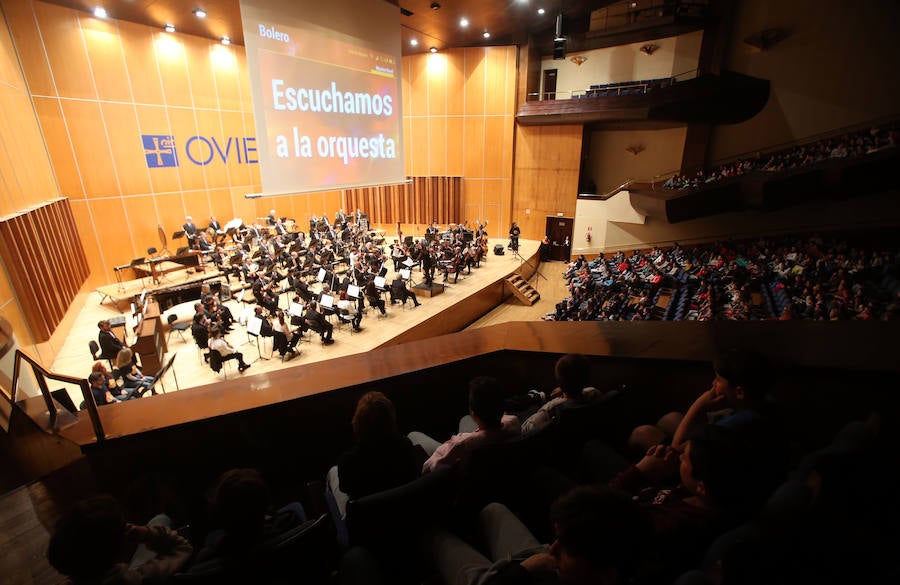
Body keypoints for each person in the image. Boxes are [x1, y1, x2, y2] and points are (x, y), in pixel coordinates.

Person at [432, 486, 649, 585]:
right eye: (559, 540)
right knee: (494, 509)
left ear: (606, 577)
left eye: (567, 548)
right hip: (552, 572)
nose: (552, 548)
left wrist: (522, 571)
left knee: (436, 538)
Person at [628, 348, 775, 453]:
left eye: (718, 380)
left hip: (698, 474)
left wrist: (699, 406)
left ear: (740, 392)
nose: (713, 384)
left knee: (641, 433)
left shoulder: (727, 430)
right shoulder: (763, 403)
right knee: (670, 419)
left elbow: (677, 448)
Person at [47, 494, 192, 584]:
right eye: (124, 526)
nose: (129, 526)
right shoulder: (143, 578)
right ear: (120, 549)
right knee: (160, 518)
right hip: (130, 574)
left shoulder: (78, 572)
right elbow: (182, 548)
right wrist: (147, 534)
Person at [327, 392, 421, 518]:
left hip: (367, 524)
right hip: (405, 515)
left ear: (357, 422)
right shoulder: (405, 446)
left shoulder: (348, 462)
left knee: (332, 472)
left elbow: (345, 489)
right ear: (392, 420)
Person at [410, 376, 521, 473]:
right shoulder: (514, 422)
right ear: (502, 409)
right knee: (464, 420)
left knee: (414, 435)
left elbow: (430, 468)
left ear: (474, 414)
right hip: (494, 470)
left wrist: (451, 443)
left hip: (449, 459)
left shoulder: (462, 445)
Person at [520, 354, 600, 435]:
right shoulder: (594, 393)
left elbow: (525, 430)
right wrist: (565, 388)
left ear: (558, 380)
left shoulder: (550, 411)